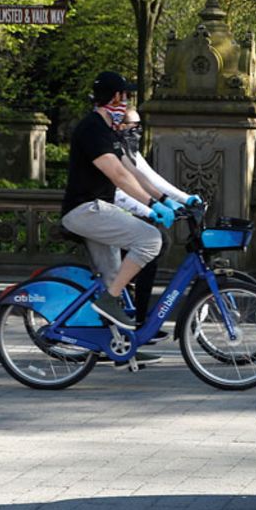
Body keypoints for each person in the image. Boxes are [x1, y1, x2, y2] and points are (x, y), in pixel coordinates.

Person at [61, 71, 175, 350]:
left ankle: (122, 347)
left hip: (95, 210)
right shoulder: (91, 129)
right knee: (150, 240)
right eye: (125, 96)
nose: (126, 103)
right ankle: (108, 302)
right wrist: (152, 206)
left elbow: (132, 169)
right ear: (116, 97)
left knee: (114, 280)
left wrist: (165, 198)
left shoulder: (108, 130)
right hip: (86, 210)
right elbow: (117, 175)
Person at [112, 108, 204, 328]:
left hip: (126, 217)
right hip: (109, 218)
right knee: (156, 243)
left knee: (158, 245)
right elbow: (117, 193)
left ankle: (140, 316)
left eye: (139, 127)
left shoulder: (130, 152)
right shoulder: (112, 152)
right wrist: (152, 210)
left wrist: (185, 198)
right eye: (132, 126)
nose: (138, 132)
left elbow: (150, 179)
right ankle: (136, 312)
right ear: (119, 127)